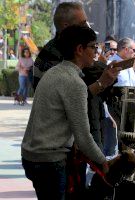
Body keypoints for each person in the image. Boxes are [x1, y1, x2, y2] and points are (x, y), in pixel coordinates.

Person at [21, 25, 114, 200]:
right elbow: (83, 137)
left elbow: (74, 100)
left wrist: (102, 83)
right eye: (93, 47)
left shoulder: (55, 73)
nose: (96, 52)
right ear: (79, 49)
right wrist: (104, 162)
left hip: (33, 157)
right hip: (49, 161)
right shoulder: (73, 82)